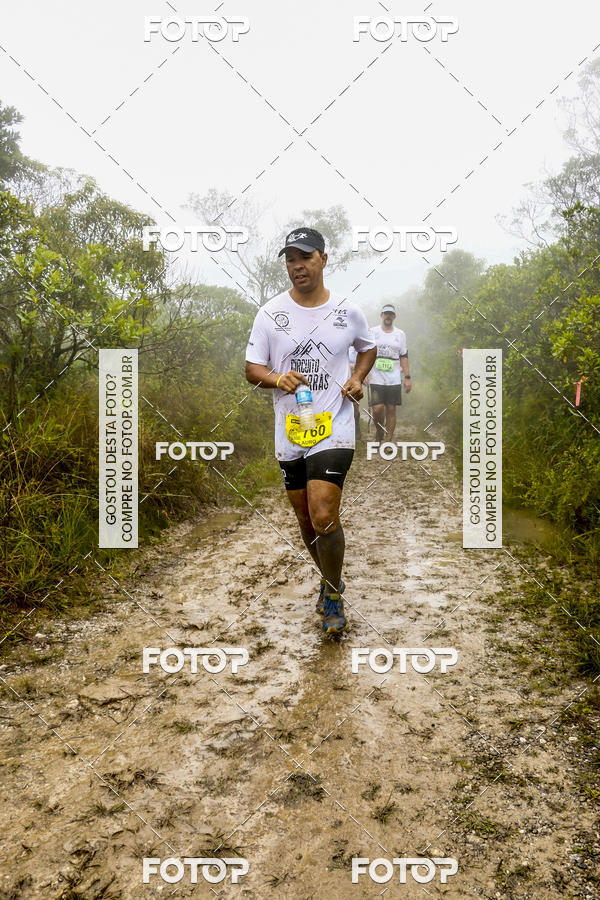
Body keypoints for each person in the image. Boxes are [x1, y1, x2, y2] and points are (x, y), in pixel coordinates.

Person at [244, 227, 376, 634]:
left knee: (323, 513)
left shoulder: (348, 310)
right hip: (290, 428)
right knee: (305, 521)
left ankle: (334, 595)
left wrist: (357, 378)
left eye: (304, 257)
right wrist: (276, 379)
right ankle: (329, 577)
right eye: (290, 259)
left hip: (334, 424)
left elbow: (367, 348)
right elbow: (252, 369)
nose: (296, 266)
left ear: (322, 258)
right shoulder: (270, 314)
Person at [368, 304, 411, 442]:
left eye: (390, 314)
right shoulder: (372, 332)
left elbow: (404, 356)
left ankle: (388, 439)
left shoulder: (400, 334)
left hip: (394, 378)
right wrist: (364, 374)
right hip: (376, 377)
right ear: (381, 315)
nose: (388, 316)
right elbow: (366, 353)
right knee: (378, 409)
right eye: (385, 313)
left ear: (394, 316)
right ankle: (380, 431)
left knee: (391, 409)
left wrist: (407, 377)